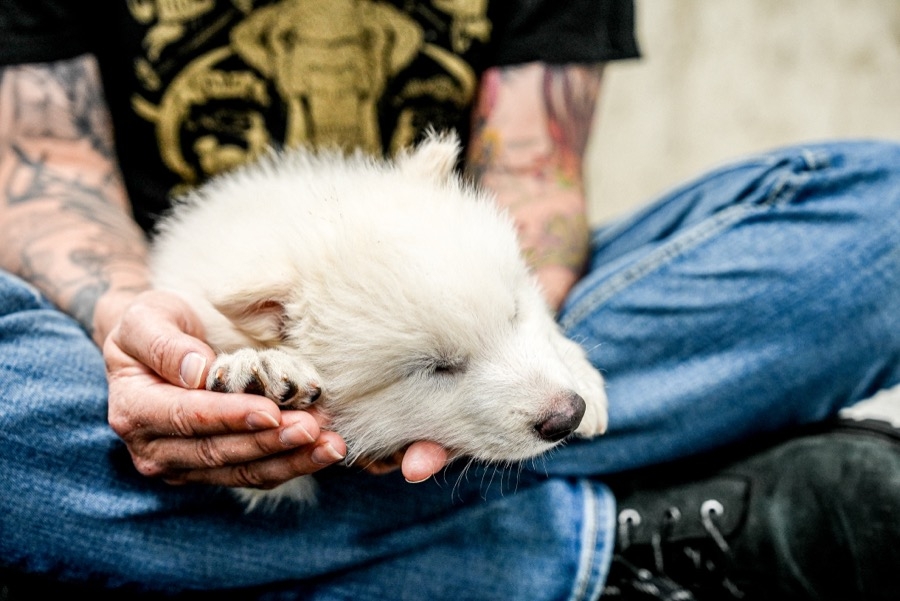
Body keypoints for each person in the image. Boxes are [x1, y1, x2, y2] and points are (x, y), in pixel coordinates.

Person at [0, 1, 897, 599]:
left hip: (461, 308)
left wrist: (526, 318)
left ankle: (162, 557)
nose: (556, 402)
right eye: (436, 364)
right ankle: (597, 540)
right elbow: (44, 160)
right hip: (128, 353)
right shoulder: (254, 309)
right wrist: (146, 343)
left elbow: (532, 177)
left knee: (883, 218)